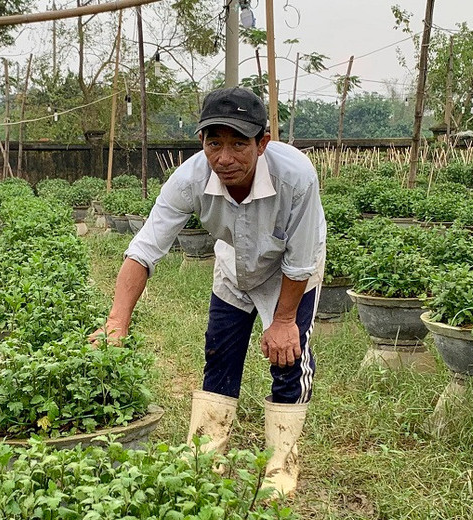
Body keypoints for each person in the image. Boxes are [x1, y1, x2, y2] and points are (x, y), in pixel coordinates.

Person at [93, 87, 326, 496]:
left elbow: (301, 260)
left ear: (263, 143)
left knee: (288, 359)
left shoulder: (297, 176)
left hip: (293, 269)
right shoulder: (190, 179)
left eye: (239, 143)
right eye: (214, 143)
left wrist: (285, 320)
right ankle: (206, 458)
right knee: (220, 353)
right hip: (234, 266)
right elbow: (144, 249)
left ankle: (280, 469)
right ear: (201, 141)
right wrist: (116, 323)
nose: (225, 157)